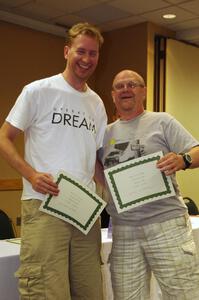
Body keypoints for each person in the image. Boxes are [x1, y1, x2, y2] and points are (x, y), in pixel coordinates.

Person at [0, 22, 107, 300]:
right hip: (44, 203)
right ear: (66, 51)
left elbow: (95, 158)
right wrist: (32, 175)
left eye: (93, 53)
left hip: (84, 211)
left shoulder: (96, 103)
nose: (86, 59)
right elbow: (4, 137)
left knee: (90, 291)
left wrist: (109, 195)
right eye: (80, 51)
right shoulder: (38, 90)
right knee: (46, 291)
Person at [98, 69, 199, 299]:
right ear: (112, 95)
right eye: (119, 86)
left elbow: (197, 150)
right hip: (123, 231)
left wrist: (182, 160)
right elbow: (96, 167)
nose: (125, 89)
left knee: (184, 295)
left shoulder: (162, 121)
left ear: (143, 91)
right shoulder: (103, 135)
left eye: (132, 84)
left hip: (166, 226)